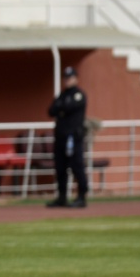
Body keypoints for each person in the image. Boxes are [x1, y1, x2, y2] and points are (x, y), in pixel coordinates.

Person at [46, 66, 89, 208]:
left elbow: (69, 108)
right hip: (60, 138)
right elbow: (51, 110)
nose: (67, 80)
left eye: (70, 77)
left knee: (77, 166)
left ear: (75, 78)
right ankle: (62, 197)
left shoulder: (79, 94)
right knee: (60, 168)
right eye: (65, 77)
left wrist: (62, 108)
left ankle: (81, 196)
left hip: (74, 138)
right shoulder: (62, 95)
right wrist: (62, 107)